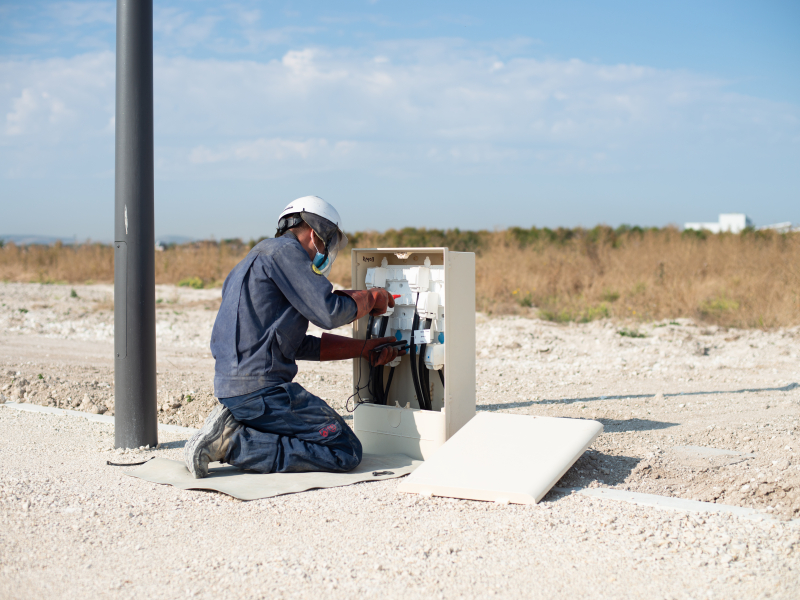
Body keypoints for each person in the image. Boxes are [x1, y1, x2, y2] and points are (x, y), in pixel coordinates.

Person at [184, 196, 403, 478]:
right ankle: (233, 443)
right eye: (327, 244)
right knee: (345, 450)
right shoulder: (287, 254)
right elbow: (330, 313)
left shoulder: (250, 263)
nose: (322, 254)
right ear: (315, 234)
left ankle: (235, 430)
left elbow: (296, 344)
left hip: (236, 392)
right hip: (263, 392)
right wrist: (373, 296)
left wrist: (363, 348)